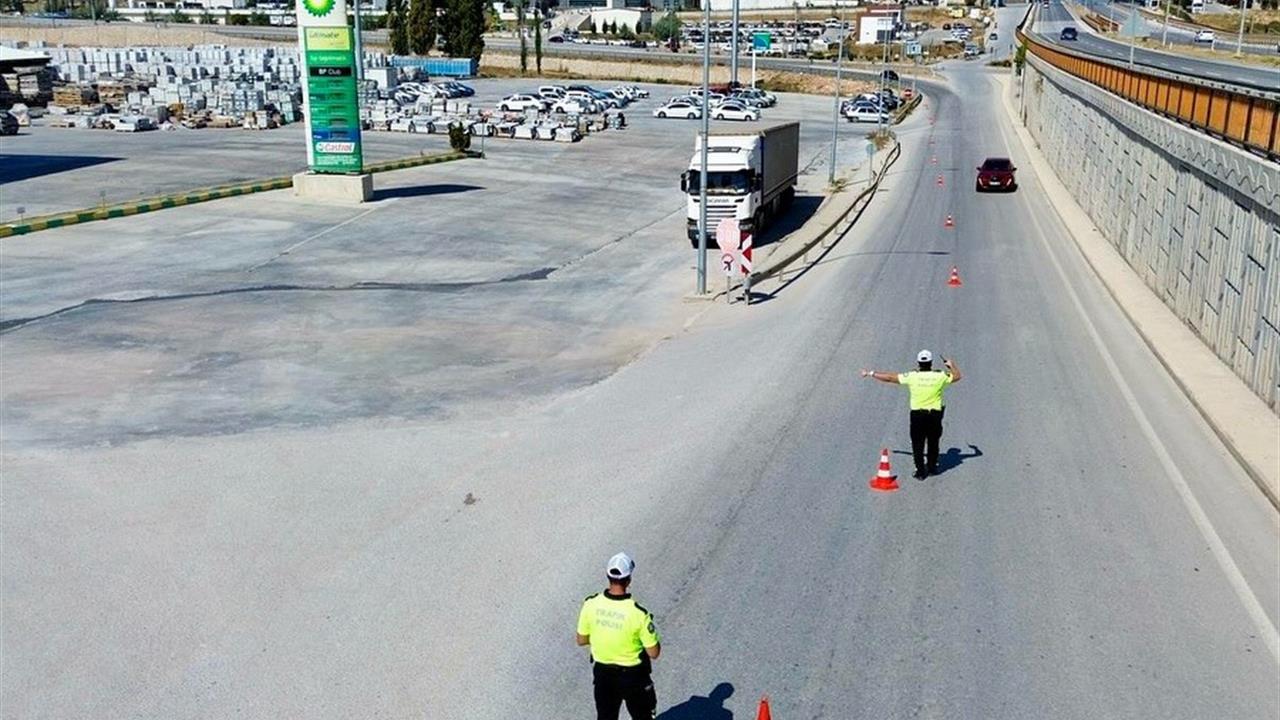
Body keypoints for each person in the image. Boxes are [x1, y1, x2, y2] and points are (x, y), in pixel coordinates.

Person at [577, 552, 661, 720]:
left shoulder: (591, 604)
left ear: (608, 576)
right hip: (633, 677)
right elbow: (654, 652)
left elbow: (581, 639)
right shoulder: (638, 614)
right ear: (628, 580)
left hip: (603, 675)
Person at [861, 350, 961, 479]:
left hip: (917, 416)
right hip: (934, 416)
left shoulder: (912, 376)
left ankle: (920, 471)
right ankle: (932, 468)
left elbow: (890, 378)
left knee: (917, 444)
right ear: (931, 363)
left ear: (919, 363)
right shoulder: (940, 376)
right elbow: (957, 376)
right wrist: (951, 365)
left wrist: (871, 373)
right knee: (933, 442)